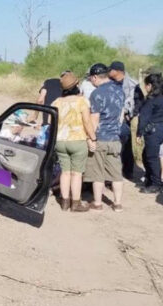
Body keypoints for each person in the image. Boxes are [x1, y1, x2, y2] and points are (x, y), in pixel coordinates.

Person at [51, 71, 97, 212]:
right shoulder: (82, 101)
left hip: (60, 141)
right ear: (77, 85)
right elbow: (87, 122)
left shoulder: (57, 102)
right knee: (77, 173)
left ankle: (65, 202)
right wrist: (92, 138)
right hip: (77, 140)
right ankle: (76, 203)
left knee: (65, 172)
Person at [83, 63, 125, 212]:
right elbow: (121, 115)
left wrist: (91, 138)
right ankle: (118, 203)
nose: (90, 81)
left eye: (90, 79)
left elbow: (94, 119)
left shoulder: (97, 94)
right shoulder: (120, 91)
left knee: (98, 173)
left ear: (95, 77)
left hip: (100, 138)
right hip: (115, 138)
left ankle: (98, 203)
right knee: (116, 174)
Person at [108, 61, 145, 180]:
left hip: (125, 119)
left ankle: (128, 171)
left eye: (111, 70)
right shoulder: (108, 82)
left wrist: (132, 115)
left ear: (118, 71)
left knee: (126, 146)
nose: (109, 72)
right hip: (109, 118)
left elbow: (139, 101)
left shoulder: (133, 85)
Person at [137, 73, 163, 193]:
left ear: (150, 85)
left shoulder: (152, 99)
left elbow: (144, 118)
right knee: (147, 155)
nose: (145, 88)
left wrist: (139, 133)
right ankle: (151, 180)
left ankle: (156, 184)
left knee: (151, 158)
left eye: (145, 85)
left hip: (154, 131)